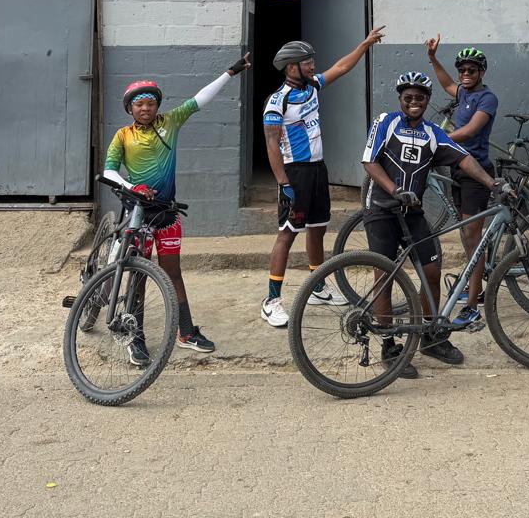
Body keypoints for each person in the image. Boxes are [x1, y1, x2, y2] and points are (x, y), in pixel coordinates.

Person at [102, 52, 251, 365]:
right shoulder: (123, 135)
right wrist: (132, 187)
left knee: (173, 274)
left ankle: (186, 331)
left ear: (158, 106)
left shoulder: (170, 121)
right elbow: (109, 170)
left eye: (150, 103)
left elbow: (200, 99)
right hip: (139, 216)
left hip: (167, 215)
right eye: (139, 104)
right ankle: (135, 336)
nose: (145, 108)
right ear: (130, 108)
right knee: (139, 276)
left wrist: (230, 72)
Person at [361, 72, 507, 376]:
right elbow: (370, 162)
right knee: (384, 275)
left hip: (412, 213)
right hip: (382, 209)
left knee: (431, 270)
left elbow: (464, 159)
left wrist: (492, 183)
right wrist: (395, 190)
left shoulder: (432, 133)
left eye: (420, 97)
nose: (414, 102)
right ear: (400, 99)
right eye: (408, 97)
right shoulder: (386, 122)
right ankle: (389, 345)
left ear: (428, 100)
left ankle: (429, 336)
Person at [260, 28, 385, 328]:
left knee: (317, 230)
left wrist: (364, 44)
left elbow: (340, 68)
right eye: (307, 62)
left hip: (318, 170)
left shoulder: (312, 86)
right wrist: (283, 183)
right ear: (291, 67)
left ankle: (317, 287)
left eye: (312, 61)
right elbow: (271, 145)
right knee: (287, 234)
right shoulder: (278, 101)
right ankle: (271, 301)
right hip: (295, 174)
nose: (312, 65)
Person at [425, 37, 498, 327]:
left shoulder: (487, 98)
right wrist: (433, 58)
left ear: (482, 72)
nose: (465, 74)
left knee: (473, 240)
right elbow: (446, 83)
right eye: (462, 70)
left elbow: (469, 131)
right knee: (468, 238)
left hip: (475, 173)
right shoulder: (464, 93)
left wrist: (436, 138)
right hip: (458, 170)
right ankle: (474, 288)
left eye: (471, 70)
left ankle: (472, 308)